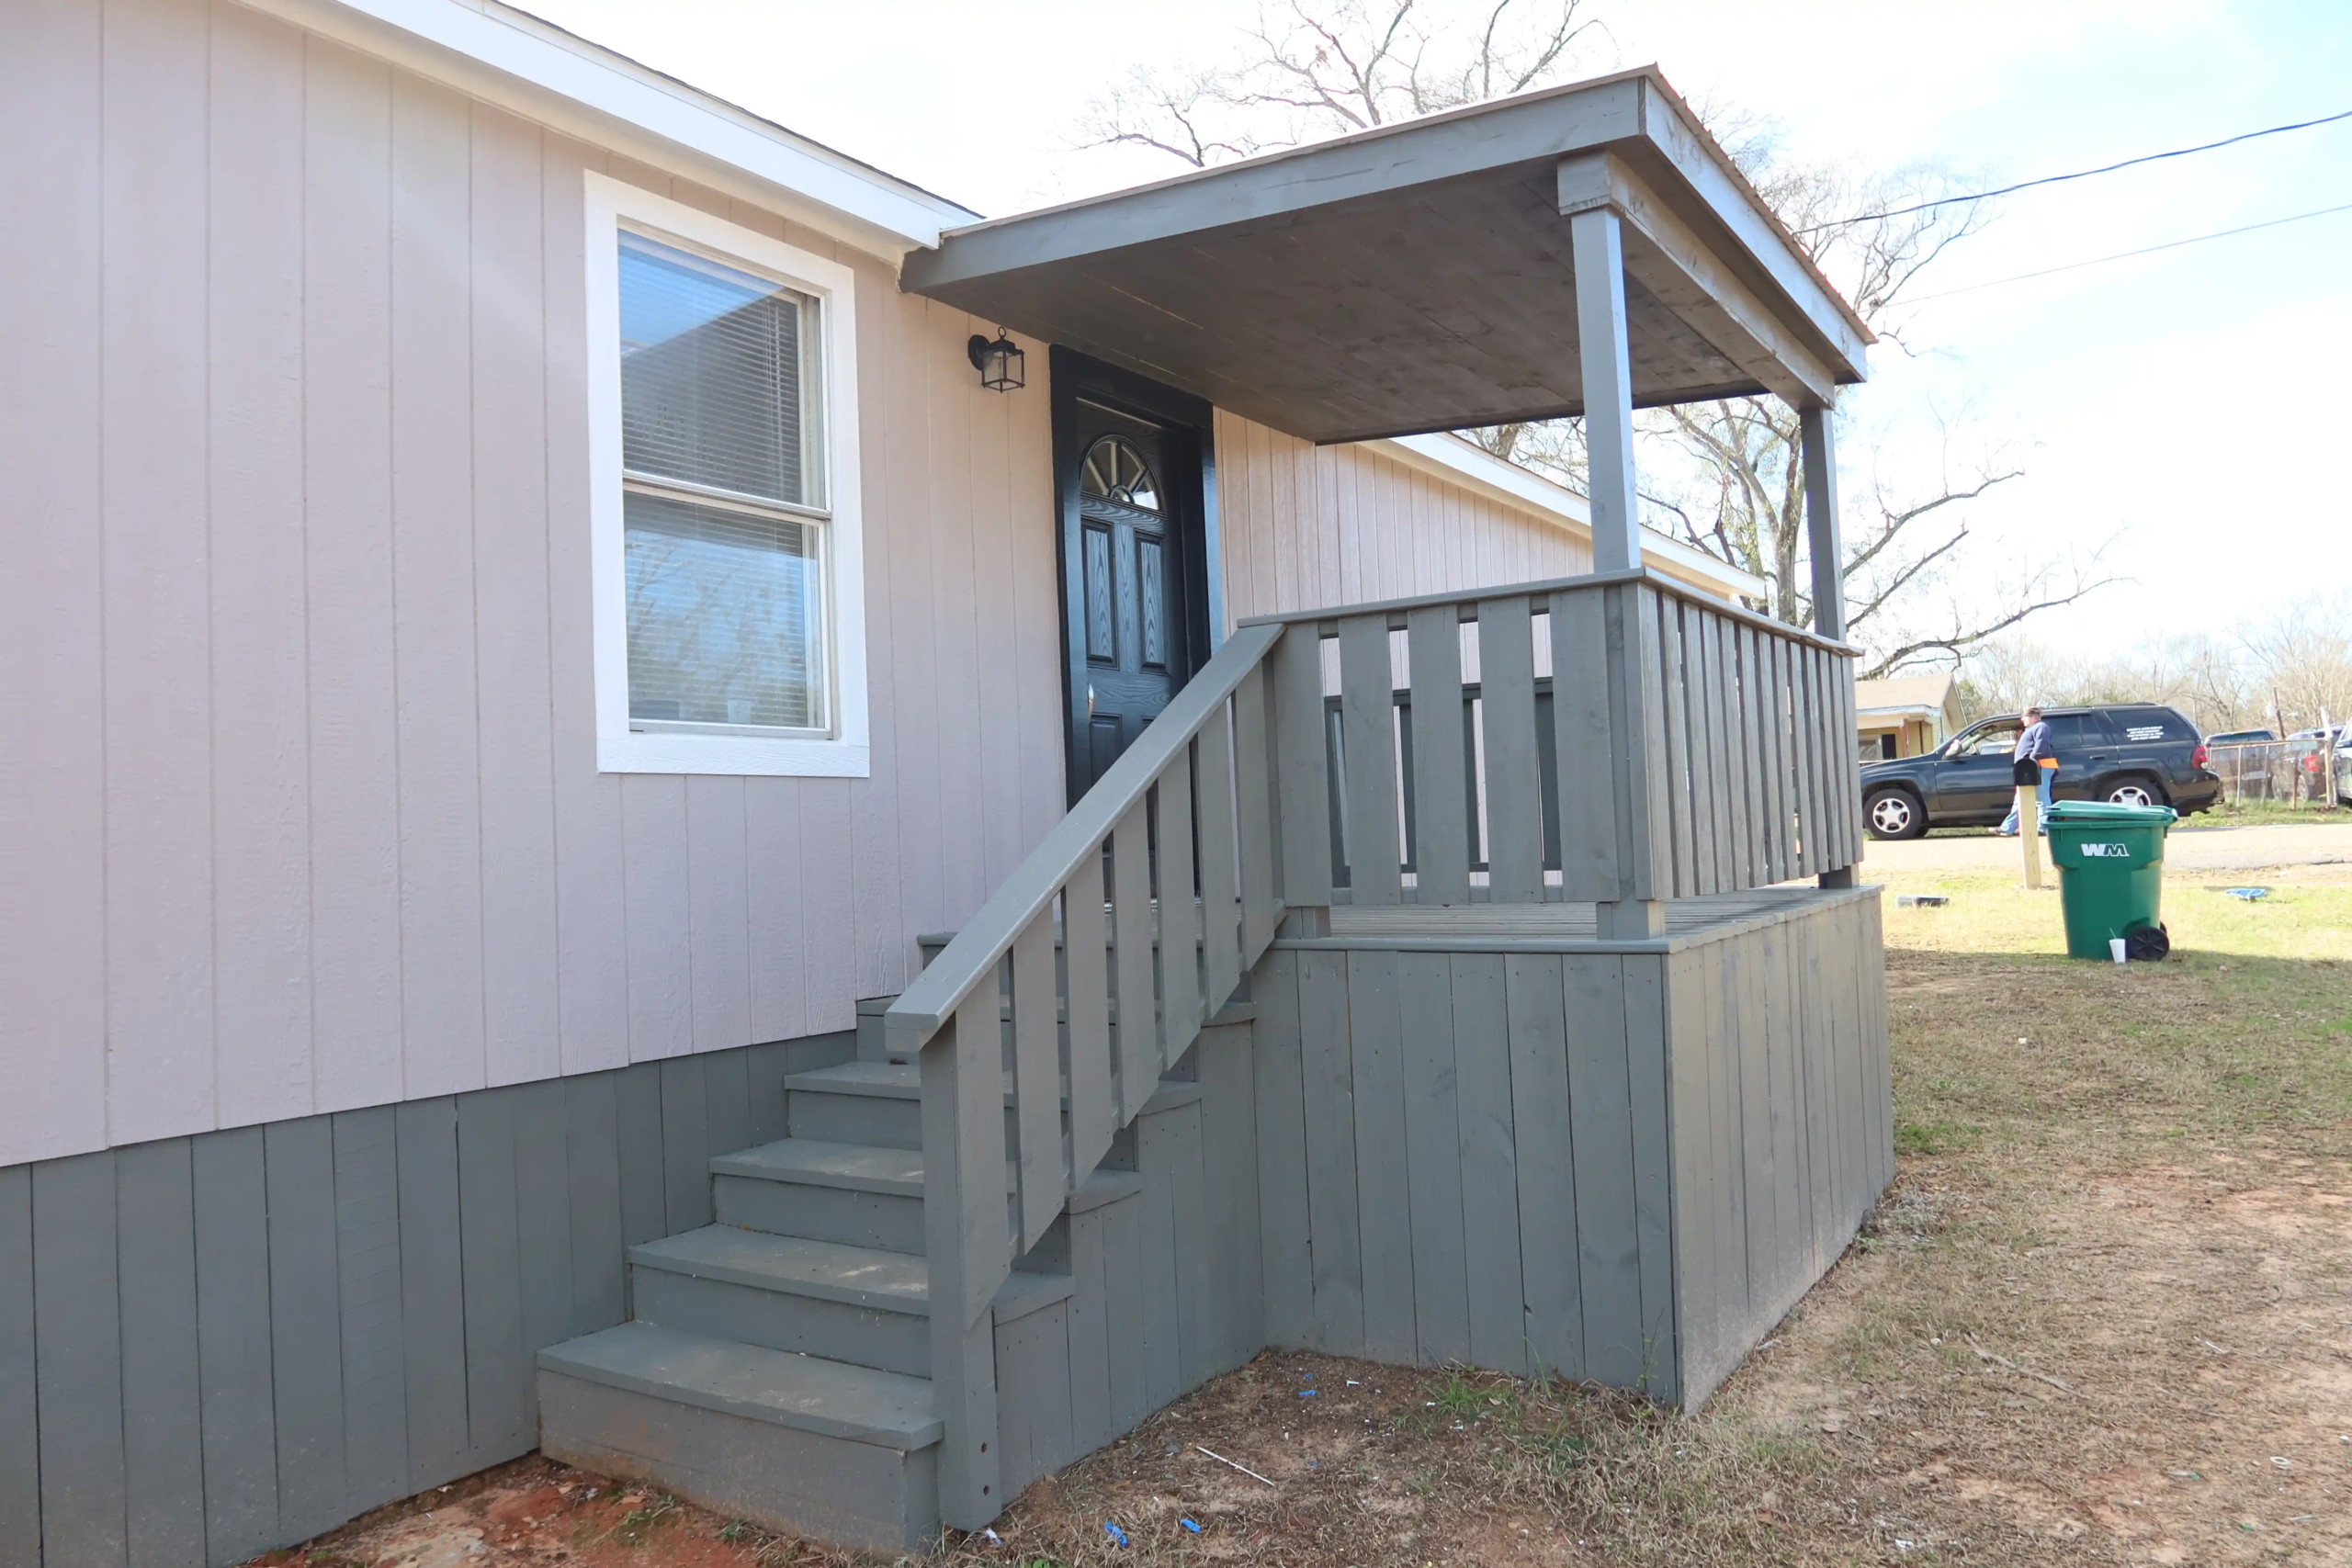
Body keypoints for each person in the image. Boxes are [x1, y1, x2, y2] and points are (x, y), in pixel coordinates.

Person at [1998, 706, 2056, 835]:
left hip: (2039, 766)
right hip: (2027, 768)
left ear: (2034, 717)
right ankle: (2007, 828)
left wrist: (2031, 761)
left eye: (2025, 716)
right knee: (2020, 799)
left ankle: (2043, 827)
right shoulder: (2030, 730)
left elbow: (2041, 744)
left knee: (2041, 799)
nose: (2022, 719)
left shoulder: (2041, 727)